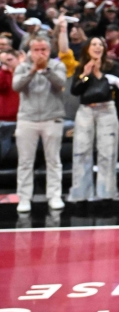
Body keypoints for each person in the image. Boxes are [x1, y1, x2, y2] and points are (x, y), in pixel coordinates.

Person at [12, 36, 66, 213]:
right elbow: (16, 86)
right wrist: (33, 70)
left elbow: (61, 84)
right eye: (36, 49)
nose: (40, 53)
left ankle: (55, 196)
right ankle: (25, 198)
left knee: (53, 161)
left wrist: (46, 70)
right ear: (30, 51)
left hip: (52, 119)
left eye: (43, 49)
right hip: (27, 119)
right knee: (25, 162)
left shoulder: (57, 65)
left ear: (49, 51)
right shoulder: (22, 67)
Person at [69, 36, 119, 204]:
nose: (97, 47)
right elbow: (75, 91)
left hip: (106, 110)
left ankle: (107, 193)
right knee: (81, 151)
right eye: (94, 44)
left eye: (101, 45)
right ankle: (80, 194)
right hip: (86, 110)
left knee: (107, 152)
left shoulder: (113, 66)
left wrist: (99, 73)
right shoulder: (80, 67)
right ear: (87, 48)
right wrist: (85, 75)